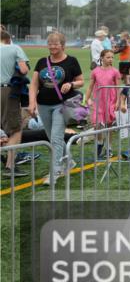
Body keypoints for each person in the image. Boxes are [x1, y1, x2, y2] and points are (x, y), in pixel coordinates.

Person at [29, 32, 84, 184]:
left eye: (55, 43)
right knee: (52, 138)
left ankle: (55, 171)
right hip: (43, 104)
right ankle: (69, 162)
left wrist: (71, 84)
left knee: (56, 138)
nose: (52, 46)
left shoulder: (71, 61)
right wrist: (32, 102)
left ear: (63, 45)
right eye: (50, 43)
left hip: (62, 104)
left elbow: (81, 81)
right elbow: (34, 84)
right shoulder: (42, 62)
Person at [1, 30, 31, 177]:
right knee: (16, 129)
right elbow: (24, 69)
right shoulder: (15, 48)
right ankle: (10, 165)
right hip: (7, 91)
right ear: (8, 39)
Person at [84, 49, 120, 158]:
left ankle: (109, 148)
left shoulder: (115, 71)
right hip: (98, 100)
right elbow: (90, 86)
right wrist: (87, 98)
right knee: (97, 124)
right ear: (102, 58)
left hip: (110, 100)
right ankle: (100, 143)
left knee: (109, 125)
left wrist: (118, 101)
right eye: (108, 57)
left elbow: (118, 88)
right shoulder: (95, 71)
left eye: (112, 57)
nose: (110, 59)